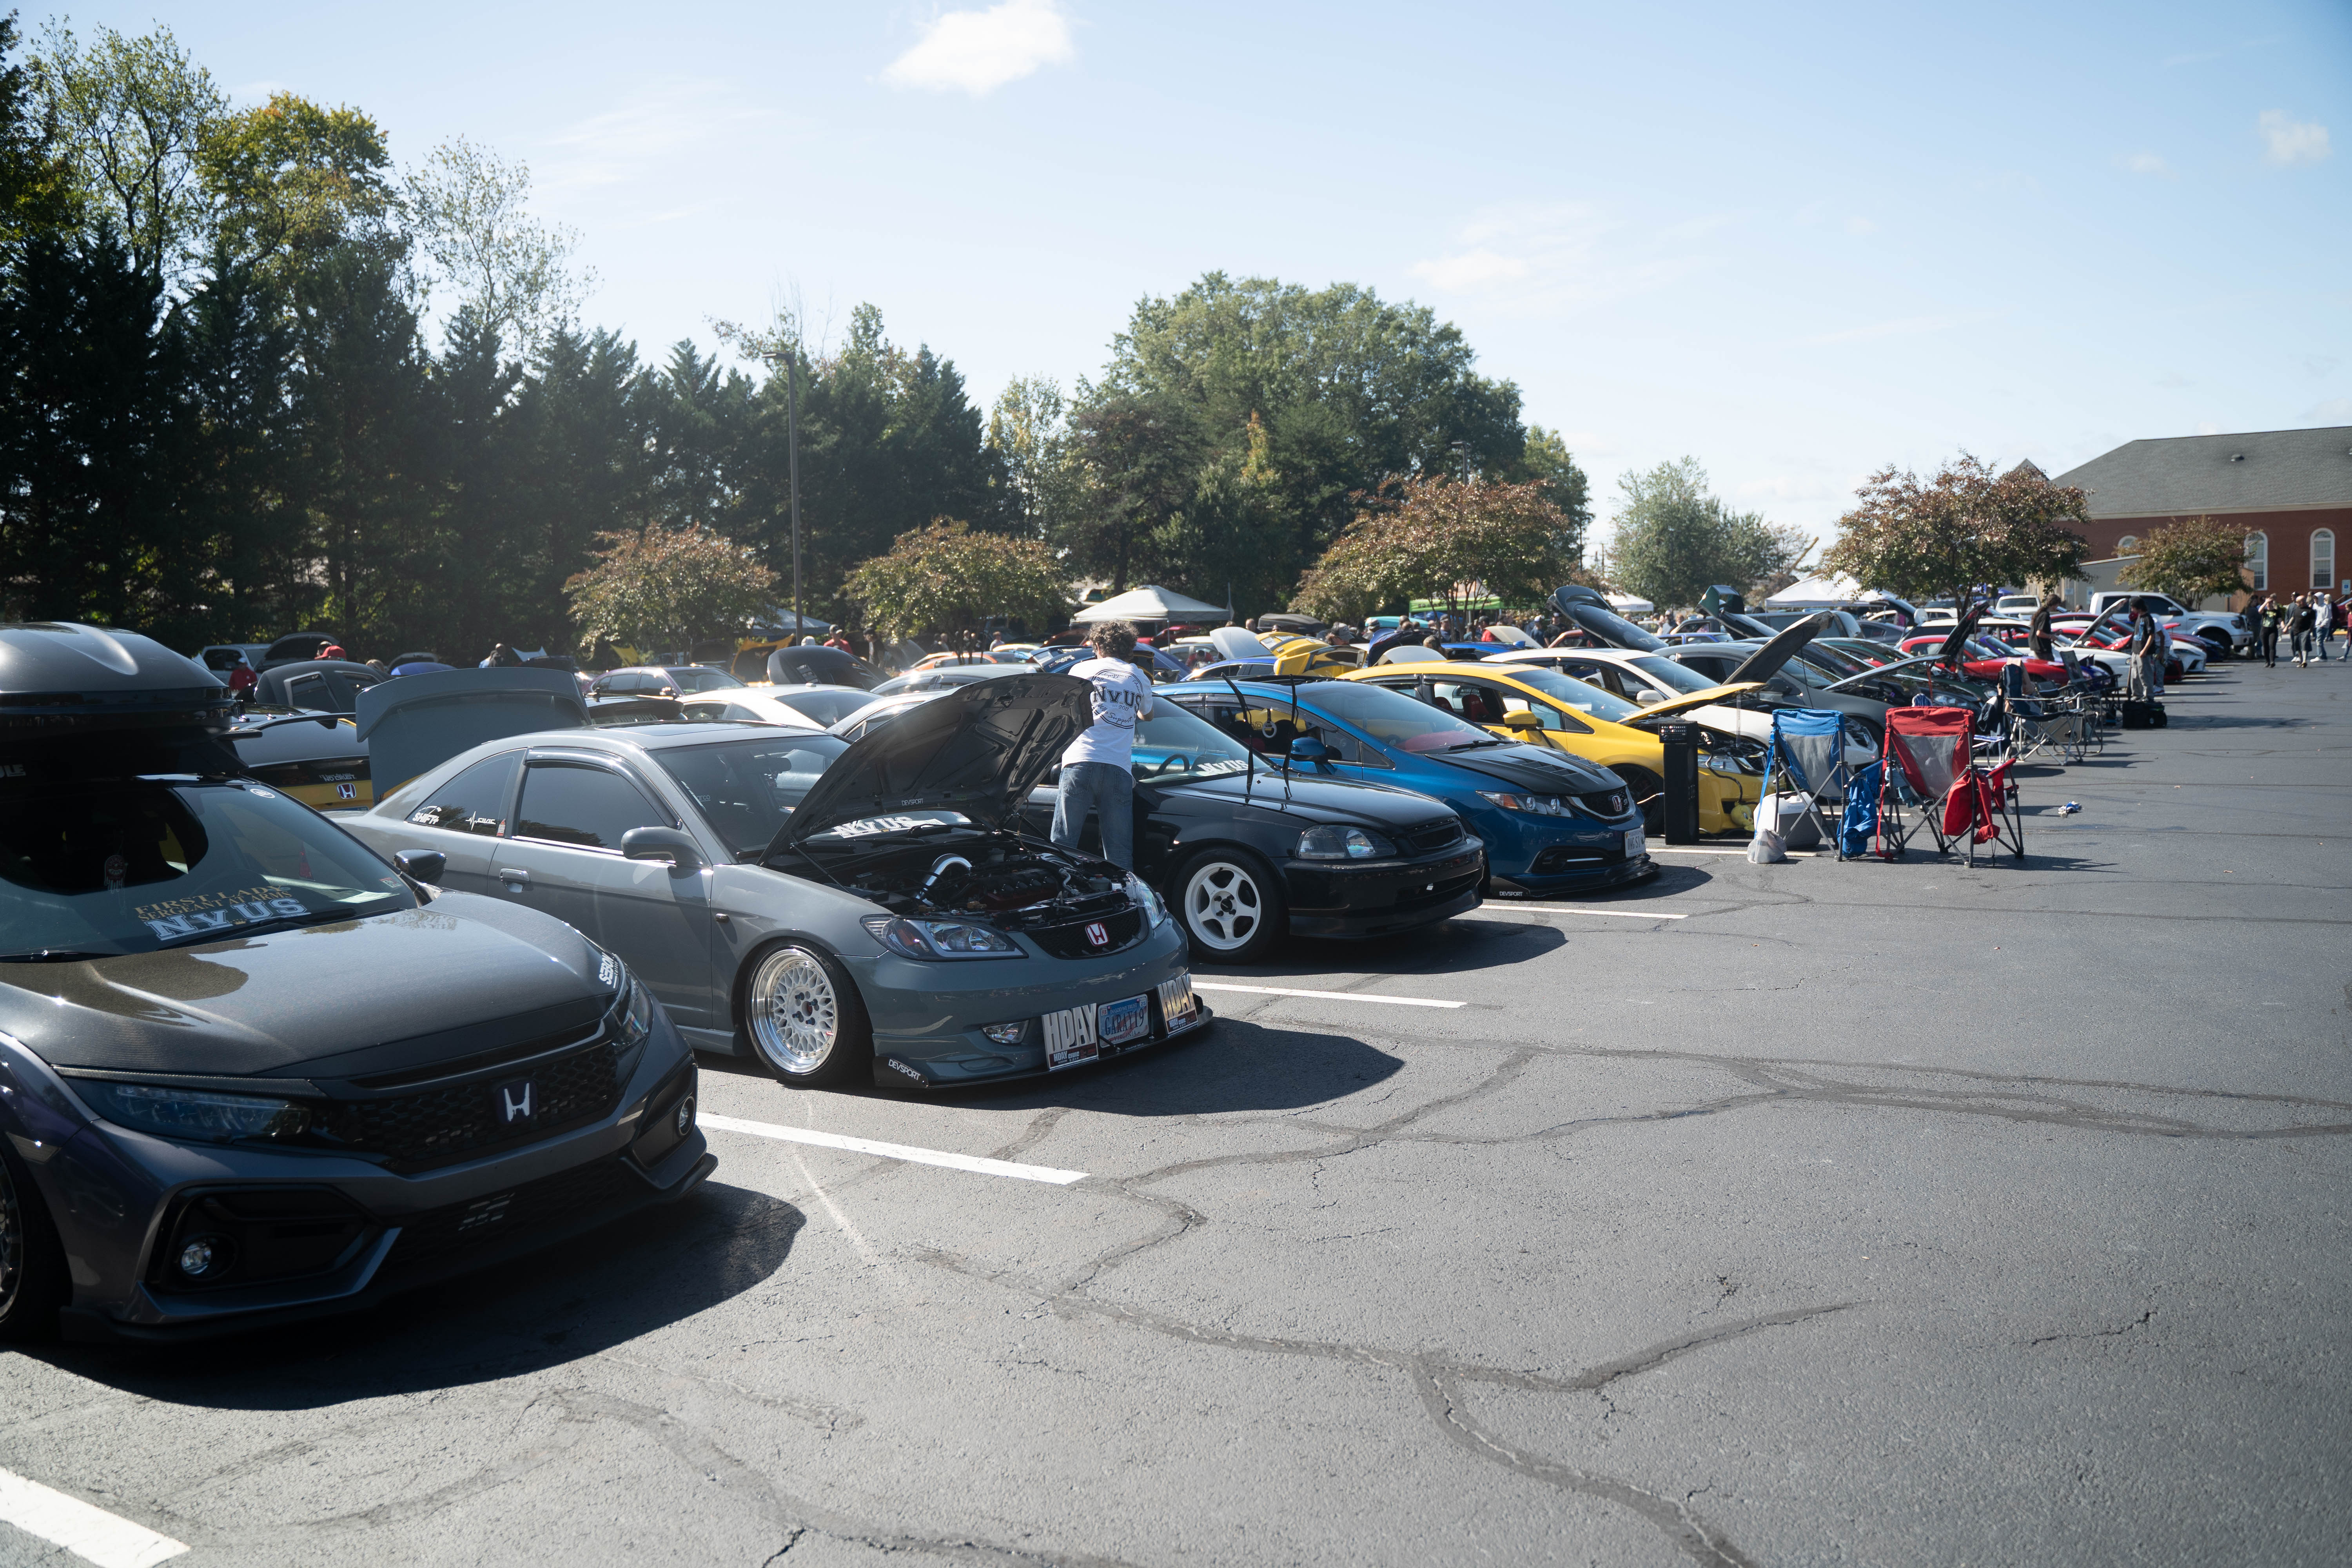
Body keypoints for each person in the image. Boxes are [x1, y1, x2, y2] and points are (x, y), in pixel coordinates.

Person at [1051, 622, 1156, 871]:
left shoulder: (1081, 669)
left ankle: (1060, 891)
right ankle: (1125, 894)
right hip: (1119, 770)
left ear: (1097, 645)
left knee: (1063, 846)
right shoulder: (1139, 676)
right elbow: (1148, 716)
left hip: (1080, 762)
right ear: (1130, 649)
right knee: (1119, 852)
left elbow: (1064, 710)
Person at [2029, 593, 2058, 663]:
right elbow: (2039, 633)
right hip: (2043, 650)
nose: (2058, 606)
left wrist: (2055, 633)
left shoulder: (2041, 614)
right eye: (2058, 604)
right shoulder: (2045, 615)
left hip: (2039, 648)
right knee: (2051, 668)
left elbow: (2044, 631)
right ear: (2054, 604)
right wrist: (2051, 637)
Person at [2290, 593, 2317, 667]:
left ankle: (2305, 661)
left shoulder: (2310, 611)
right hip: (2296, 631)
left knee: (2305, 646)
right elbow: (2293, 619)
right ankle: (2301, 661)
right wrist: (2287, 626)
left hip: (2305, 631)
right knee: (2298, 647)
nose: (2296, 603)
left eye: (2297, 602)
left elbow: (2313, 622)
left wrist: (2310, 630)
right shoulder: (2296, 610)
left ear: (2301, 602)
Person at [2316, 592, 2336, 662]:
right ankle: (2322, 656)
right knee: (2318, 642)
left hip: (2322, 627)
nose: (2315, 600)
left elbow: (2328, 617)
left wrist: (2323, 625)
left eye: (2316, 599)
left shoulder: (2325, 607)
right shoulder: (2316, 606)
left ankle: (2322, 657)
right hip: (2317, 626)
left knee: (2319, 642)